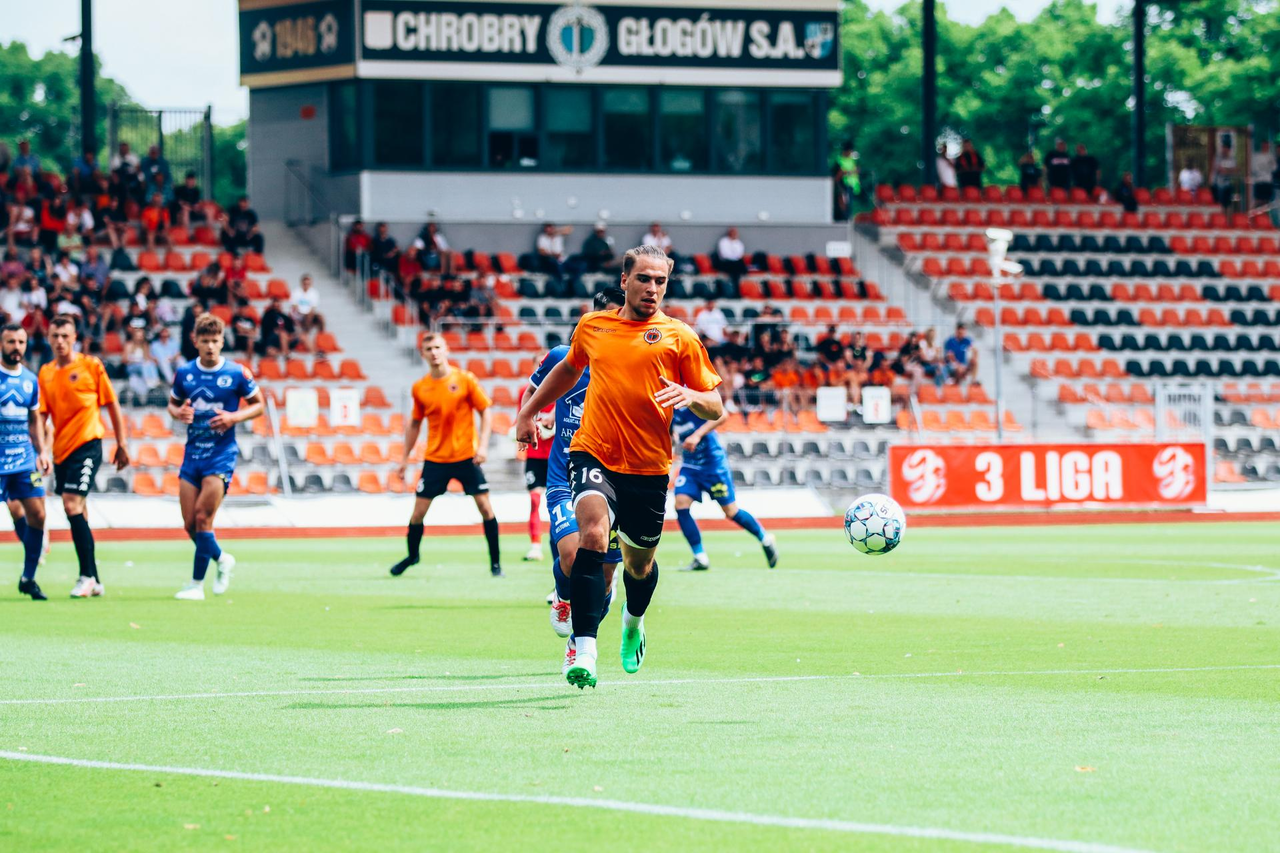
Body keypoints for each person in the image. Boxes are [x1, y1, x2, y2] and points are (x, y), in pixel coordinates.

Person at [515, 245, 723, 689]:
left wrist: (692, 396)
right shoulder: (593, 326)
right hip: (593, 453)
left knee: (639, 566)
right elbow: (568, 370)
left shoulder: (680, 337)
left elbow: (716, 404)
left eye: (661, 281)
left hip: (648, 468)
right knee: (591, 534)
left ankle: (633, 621)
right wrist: (528, 412)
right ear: (625, 280)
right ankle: (585, 650)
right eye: (644, 278)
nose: (652, 288)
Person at [527, 288, 628, 673]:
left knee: (604, 578)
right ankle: (564, 597)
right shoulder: (563, 357)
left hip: (615, 476)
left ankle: (579, 641)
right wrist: (531, 416)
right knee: (571, 556)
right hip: (565, 473)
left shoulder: (632, 361)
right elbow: (535, 388)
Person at [389, 333, 501, 578]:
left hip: (466, 457)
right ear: (423, 354)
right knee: (418, 513)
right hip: (435, 460)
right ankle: (412, 556)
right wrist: (404, 459)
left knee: (485, 508)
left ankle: (495, 564)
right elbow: (415, 423)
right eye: (429, 349)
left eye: (437, 347)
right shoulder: (420, 388)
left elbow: (485, 410)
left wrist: (483, 446)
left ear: (446, 349)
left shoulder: (465, 379)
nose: (434, 352)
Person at [169, 314, 263, 600]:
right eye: (205, 341)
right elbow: (173, 405)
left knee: (202, 517)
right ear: (195, 341)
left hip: (220, 455)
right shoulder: (185, 373)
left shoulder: (237, 373)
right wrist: (179, 413)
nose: (210, 346)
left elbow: (258, 405)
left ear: (222, 342)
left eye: (215, 340)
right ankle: (222, 559)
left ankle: (196, 585)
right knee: (189, 524)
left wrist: (234, 417)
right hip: (192, 455)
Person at [38, 315, 130, 598]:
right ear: (49, 338)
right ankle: (95, 579)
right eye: (55, 336)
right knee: (79, 509)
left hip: (88, 444)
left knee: (71, 504)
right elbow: (41, 415)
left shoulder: (91, 366)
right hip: (61, 450)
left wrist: (122, 443)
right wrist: (42, 449)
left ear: (75, 338)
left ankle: (86, 576)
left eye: (65, 336)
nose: (60, 341)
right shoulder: (46, 373)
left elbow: (111, 404)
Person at [671, 406, 777, 572]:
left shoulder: (693, 397)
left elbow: (722, 415)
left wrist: (697, 435)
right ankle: (700, 557)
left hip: (713, 465)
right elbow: (672, 434)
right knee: (680, 504)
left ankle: (765, 539)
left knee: (730, 511)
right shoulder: (668, 407)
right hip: (690, 466)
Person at [0, 325, 52, 600]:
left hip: (23, 460)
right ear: (2, 344)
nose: (16, 347)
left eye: (21, 342)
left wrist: (41, 451)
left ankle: (28, 578)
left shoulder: (30, 380)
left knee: (38, 515)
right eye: (11, 341)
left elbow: (35, 420)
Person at [516, 383, 554, 562]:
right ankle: (535, 546)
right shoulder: (526, 391)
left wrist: (551, 426)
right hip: (534, 455)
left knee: (560, 500)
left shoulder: (563, 385)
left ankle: (561, 541)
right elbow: (521, 418)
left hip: (556, 454)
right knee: (534, 499)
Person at [1251, 140, 1276, 206]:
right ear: (1262, 146)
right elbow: (1255, 169)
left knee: (1267, 202)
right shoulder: (1256, 156)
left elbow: (1274, 168)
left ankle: (1265, 212)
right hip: (1259, 182)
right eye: (1264, 146)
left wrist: (1264, 167)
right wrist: (1266, 167)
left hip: (1267, 182)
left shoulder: (1271, 156)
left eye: (1267, 146)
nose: (1265, 147)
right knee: (1258, 201)